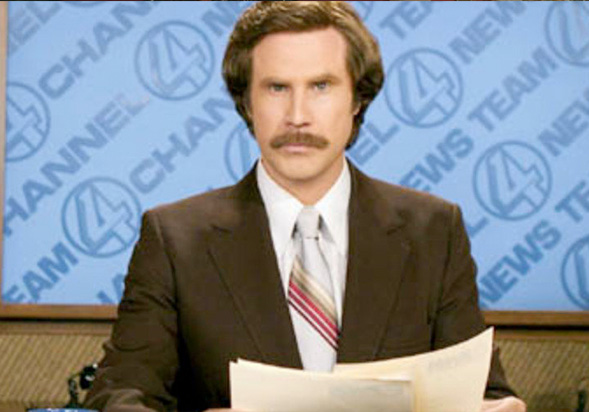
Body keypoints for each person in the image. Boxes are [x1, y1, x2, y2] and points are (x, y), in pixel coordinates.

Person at [85, 2, 526, 411]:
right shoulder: (175, 240)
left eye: (321, 86)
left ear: (357, 99)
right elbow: (120, 394)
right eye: (277, 88)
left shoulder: (434, 231)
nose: (298, 116)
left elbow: (481, 392)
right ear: (247, 102)